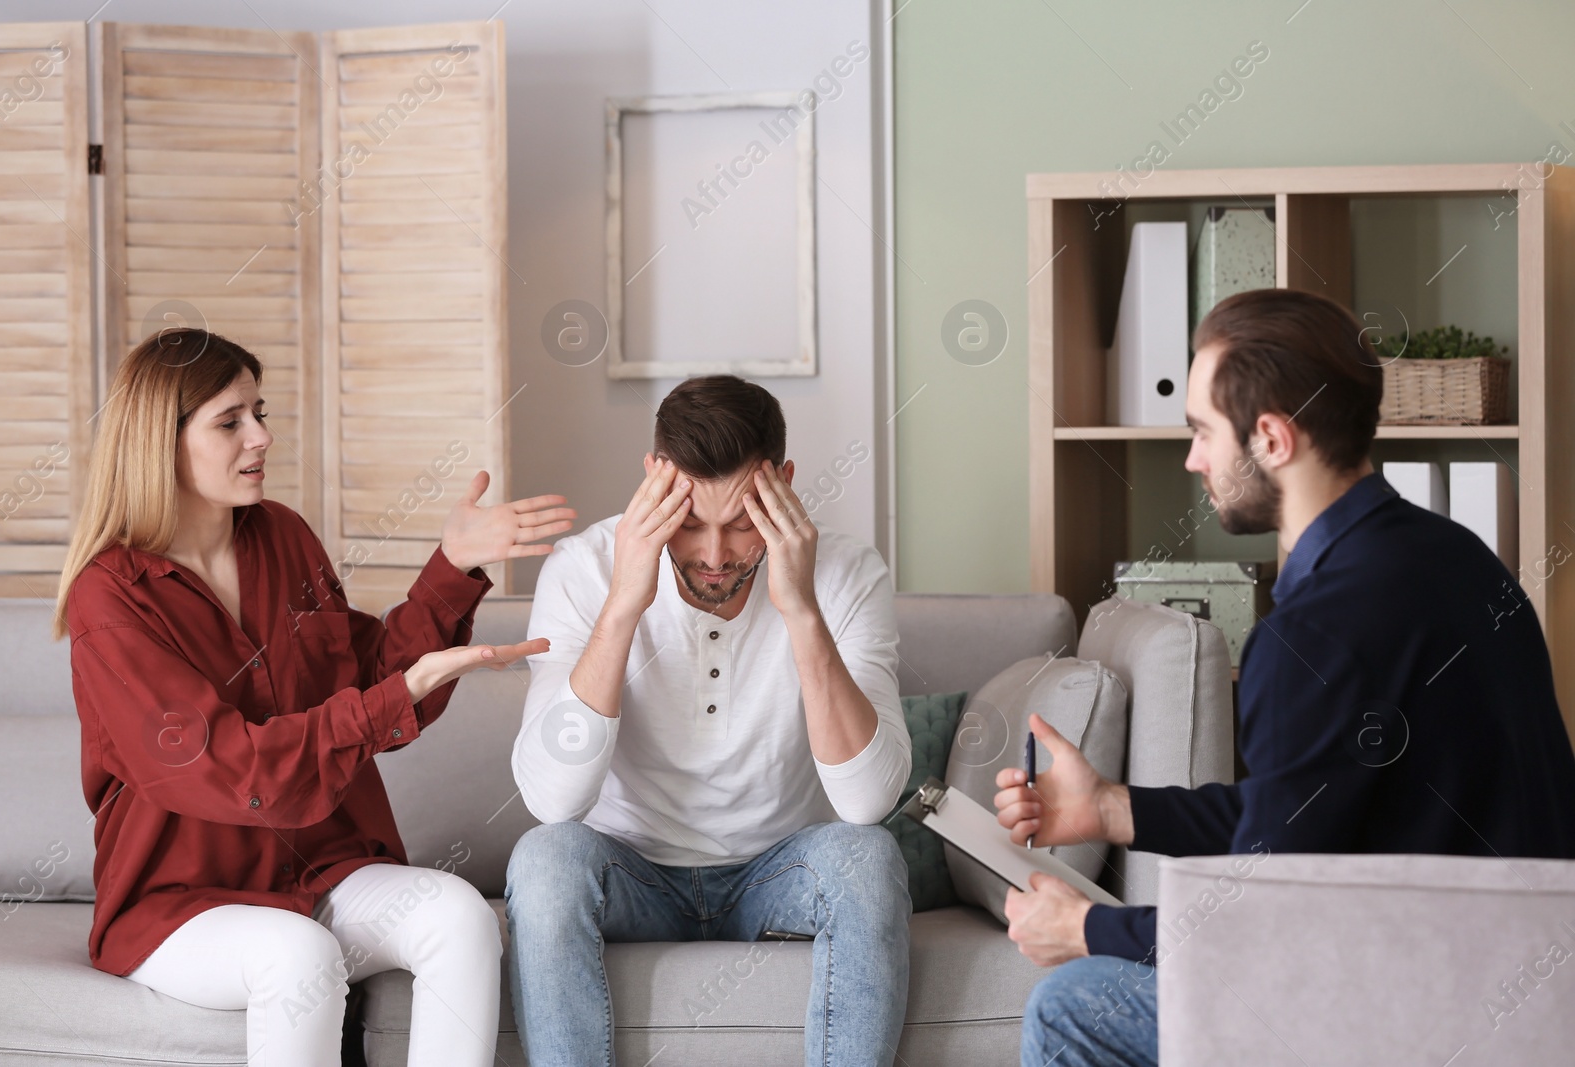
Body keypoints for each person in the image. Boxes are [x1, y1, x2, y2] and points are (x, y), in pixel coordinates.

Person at [993, 288, 1575, 1066]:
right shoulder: (1460, 558)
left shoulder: (1310, 636)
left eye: (1202, 431)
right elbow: (1303, 813)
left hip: (1419, 1011)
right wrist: (1109, 807)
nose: (1194, 457)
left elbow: (1265, 921)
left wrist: (1085, 929)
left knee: (1072, 1005)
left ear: (1270, 437)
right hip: (1529, 993)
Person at [59, 328, 576, 1066]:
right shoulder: (108, 597)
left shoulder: (282, 537)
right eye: (230, 420)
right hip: (179, 902)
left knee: (461, 914)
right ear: (158, 442)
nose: (262, 436)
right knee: (297, 954)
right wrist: (388, 700)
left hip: (315, 871)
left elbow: (363, 673)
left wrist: (453, 566)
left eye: (259, 412)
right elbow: (225, 764)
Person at [504, 374, 913, 1066]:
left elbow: (867, 801)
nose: (715, 555)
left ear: (784, 484)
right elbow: (553, 799)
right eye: (690, 521)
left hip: (775, 871)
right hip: (632, 871)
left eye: (743, 522)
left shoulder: (847, 575)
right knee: (543, 860)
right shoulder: (583, 569)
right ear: (655, 479)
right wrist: (626, 601)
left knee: (869, 860)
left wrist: (802, 612)